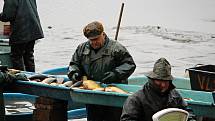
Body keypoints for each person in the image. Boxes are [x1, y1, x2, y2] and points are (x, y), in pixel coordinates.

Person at [68, 21, 136, 121]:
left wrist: (115, 74)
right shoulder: (81, 48)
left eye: (96, 39)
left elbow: (130, 65)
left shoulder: (116, 48)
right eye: (91, 40)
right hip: (92, 94)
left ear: (103, 34)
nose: (94, 42)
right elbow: (74, 64)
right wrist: (74, 73)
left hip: (113, 94)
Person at [120, 57, 187, 121]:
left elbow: (187, 112)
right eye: (160, 81)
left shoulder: (175, 96)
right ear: (152, 80)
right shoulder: (135, 100)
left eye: (166, 81)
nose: (163, 85)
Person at [0, 0, 44, 72]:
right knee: (29, 56)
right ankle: (33, 78)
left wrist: (1, 16)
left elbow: (7, 16)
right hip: (33, 28)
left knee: (16, 56)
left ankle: (21, 78)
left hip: (21, 30)